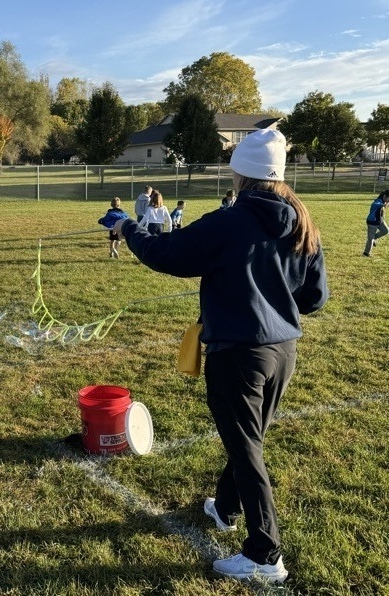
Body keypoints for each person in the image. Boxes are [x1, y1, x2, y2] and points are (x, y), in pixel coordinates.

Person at [113, 129, 329, 584]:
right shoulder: (302, 221)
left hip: (239, 355)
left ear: (242, 173)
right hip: (283, 352)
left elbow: (165, 253)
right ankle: (225, 507)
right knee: (247, 439)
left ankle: (265, 555)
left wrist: (127, 228)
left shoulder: (230, 220)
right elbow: (313, 299)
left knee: (247, 447)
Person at [363, 189, 389, 256]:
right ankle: (366, 253)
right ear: (385, 196)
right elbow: (375, 204)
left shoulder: (384, 200)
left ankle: (374, 237)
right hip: (372, 222)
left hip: (379, 221)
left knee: (386, 230)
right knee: (370, 239)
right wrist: (382, 205)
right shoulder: (378, 201)